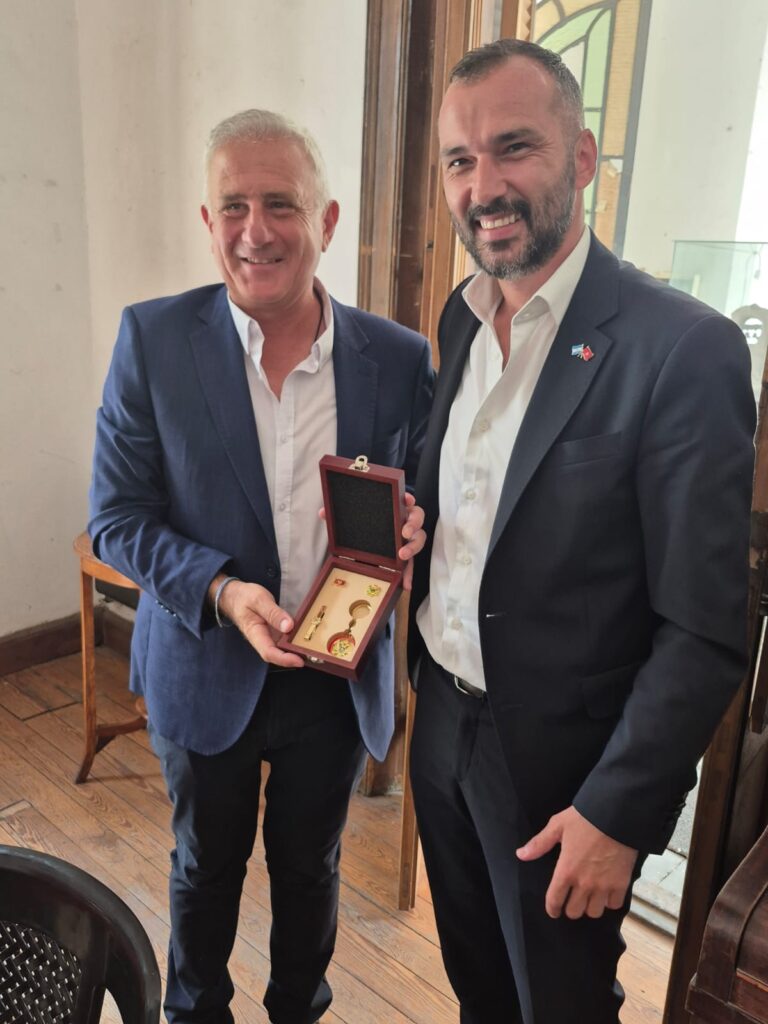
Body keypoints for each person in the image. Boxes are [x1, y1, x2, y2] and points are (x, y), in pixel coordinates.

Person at [407, 38, 755, 1024]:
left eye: (514, 148)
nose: (483, 186)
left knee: (558, 1004)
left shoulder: (681, 349)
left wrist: (617, 812)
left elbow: (703, 630)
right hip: (443, 723)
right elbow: (489, 513)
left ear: (584, 157)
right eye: (460, 160)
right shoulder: (461, 318)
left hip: (566, 770)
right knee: (480, 987)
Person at [89, 108, 434, 1024]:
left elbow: (428, 505)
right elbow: (116, 519)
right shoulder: (152, 342)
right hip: (206, 659)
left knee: (311, 866)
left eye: (281, 203)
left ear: (326, 221)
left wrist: (416, 530)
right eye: (233, 207)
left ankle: (298, 1010)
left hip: (335, 673)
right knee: (204, 866)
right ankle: (194, 1012)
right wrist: (224, 590)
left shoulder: (400, 361)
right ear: (208, 222)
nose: (256, 230)